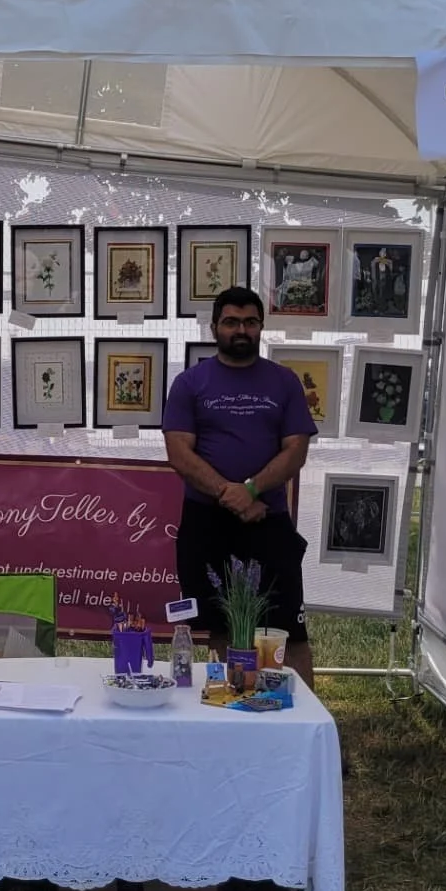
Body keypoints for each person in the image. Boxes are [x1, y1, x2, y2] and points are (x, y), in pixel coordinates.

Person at [162, 285, 317, 689]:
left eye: (250, 322)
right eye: (231, 322)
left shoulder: (283, 382)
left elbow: (296, 449)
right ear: (214, 327)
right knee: (223, 626)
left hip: (268, 519)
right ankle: (230, 710)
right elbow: (179, 453)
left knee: (290, 630)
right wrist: (228, 494)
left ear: (261, 327)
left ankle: (307, 725)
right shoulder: (189, 383)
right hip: (208, 522)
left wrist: (249, 490)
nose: (241, 330)